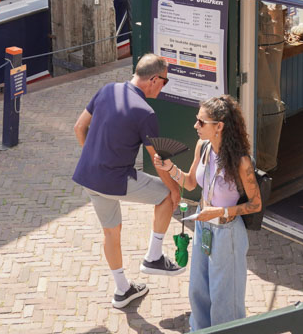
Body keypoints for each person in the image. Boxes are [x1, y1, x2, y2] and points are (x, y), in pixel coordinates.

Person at [73, 53, 185, 309]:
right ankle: (153, 257)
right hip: (116, 179)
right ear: (154, 80)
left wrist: (94, 160)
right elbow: (157, 161)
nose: (164, 87)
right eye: (165, 82)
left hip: (89, 176)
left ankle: (122, 290)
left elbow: (79, 127)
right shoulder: (145, 112)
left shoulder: (107, 90)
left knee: (111, 232)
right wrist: (175, 189)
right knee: (166, 196)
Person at [155, 95, 261, 330]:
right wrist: (170, 168)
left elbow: (255, 204)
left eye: (201, 122)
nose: (195, 126)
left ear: (219, 126)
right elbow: (191, 183)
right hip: (204, 227)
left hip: (227, 233)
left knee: (225, 300)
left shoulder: (241, 162)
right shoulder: (202, 148)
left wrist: (220, 210)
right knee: (199, 290)